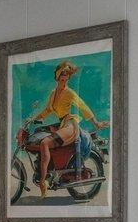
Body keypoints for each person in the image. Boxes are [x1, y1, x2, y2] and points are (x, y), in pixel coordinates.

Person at [27, 59, 107, 195]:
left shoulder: (69, 93)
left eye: (66, 79)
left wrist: (97, 123)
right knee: (38, 133)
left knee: (45, 143)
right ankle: (50, 169)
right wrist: (33, 119)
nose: (63, 82)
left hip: (70, 125)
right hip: (61, 124)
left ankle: (43, 181)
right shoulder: (53, 93)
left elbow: (83, 107)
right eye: (61, 79)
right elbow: (47, 110)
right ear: (56, 78)